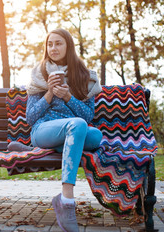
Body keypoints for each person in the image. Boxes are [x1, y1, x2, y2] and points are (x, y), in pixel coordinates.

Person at [26, 28, 103, 232]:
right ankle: (67, 200)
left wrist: (69, 97)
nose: (53, 48)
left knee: (95, 136)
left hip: (73, 129)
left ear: (68, 46)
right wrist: (49, 94)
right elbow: (31, 118)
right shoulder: (39, 74)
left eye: (58, 43)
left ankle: (65, 146)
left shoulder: (83, 75)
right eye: (50, 44)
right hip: (43, 130)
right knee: (78, 125)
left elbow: (88, 116)